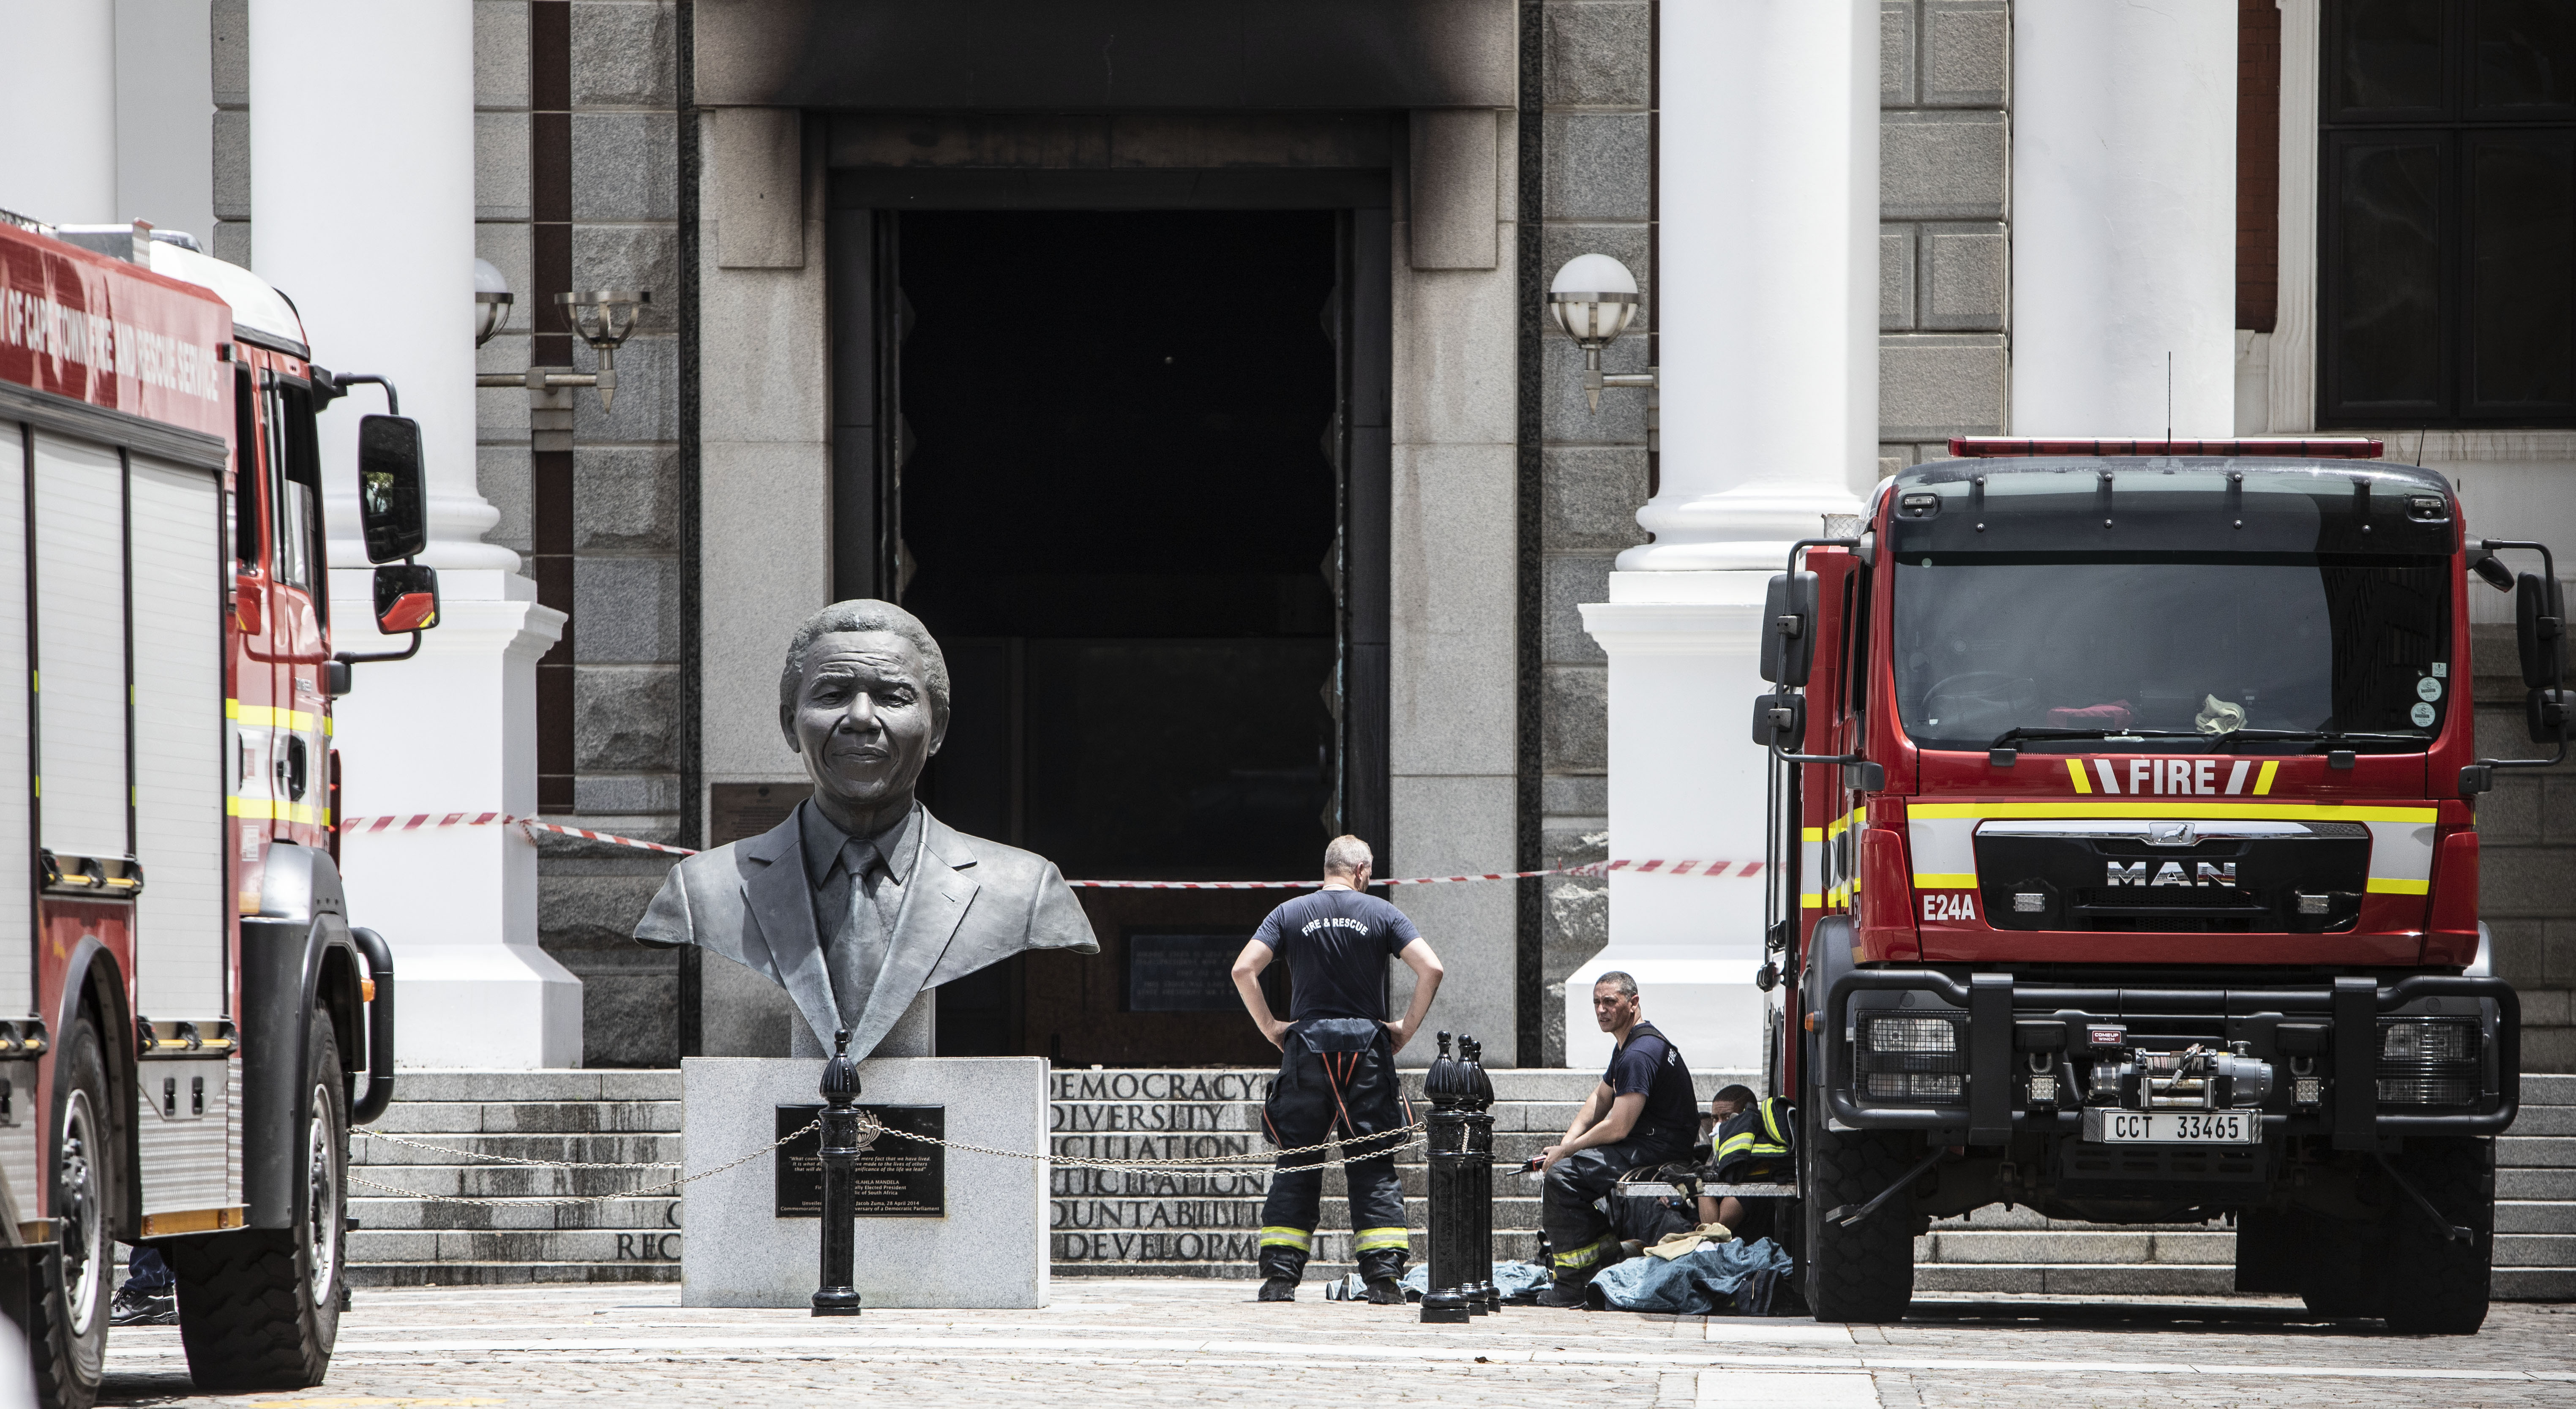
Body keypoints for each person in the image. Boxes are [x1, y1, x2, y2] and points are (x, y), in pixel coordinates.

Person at [635, 600, 1097, 1059]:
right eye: (832, 694)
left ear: (937, 728)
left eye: (893, 696)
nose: (860, 717)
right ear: (789, 725)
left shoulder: (1027, 889)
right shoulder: (700, 890)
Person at [1230, 836, 1444, 1305]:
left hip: (1306, 1046)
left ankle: (1280, 1279)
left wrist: (1271, 1028)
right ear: (1363, 870)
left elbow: (1244, 969)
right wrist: (1404, 1029)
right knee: (1372, 1162)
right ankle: (1384, 1281)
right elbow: (1432, 967)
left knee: (1297, 1161)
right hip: (1367, 1048)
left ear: (1327, 867)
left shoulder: (1288, 912)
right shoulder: (1383, 914)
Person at [1534, 972, 1700, 1307]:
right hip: (1651, 1142)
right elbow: (1601, 1098)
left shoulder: (1640, 1053)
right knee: (1564, 1168)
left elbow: (1619, 1125)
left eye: (1610, 1001)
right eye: (1596, 1002)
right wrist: (1564, 1145)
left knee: (1561, 1179)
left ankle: (1574, 1284)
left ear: (1633, 1003)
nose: (1601, 1009)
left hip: (1659, 1150)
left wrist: (1566, 1154)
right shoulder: (1630, 1044)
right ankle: (1606, 1257)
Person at [1696, 1085, 1794, 1241]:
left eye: (1727, 1118)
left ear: (1746, 1119)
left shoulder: (1753, 1164)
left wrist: (1698, 1181)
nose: (1719, 1126)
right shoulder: (1719, 1160)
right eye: (1715, 1119)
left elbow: (1715, 1228)